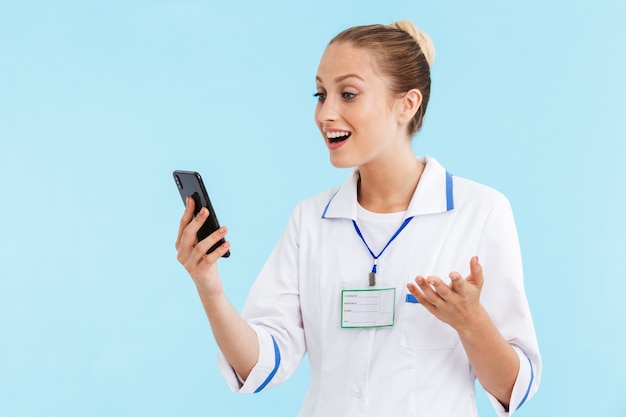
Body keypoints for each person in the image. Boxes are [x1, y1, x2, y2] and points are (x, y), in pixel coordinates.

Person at [175, 20, 541, 417]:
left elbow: (513, 388)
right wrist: (209, 287)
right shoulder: (310, 220)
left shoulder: (480, 212)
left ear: (408, 103)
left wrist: (471, 322)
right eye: (321, 94)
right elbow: (261, 365)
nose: (325, 113)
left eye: (348, 94)